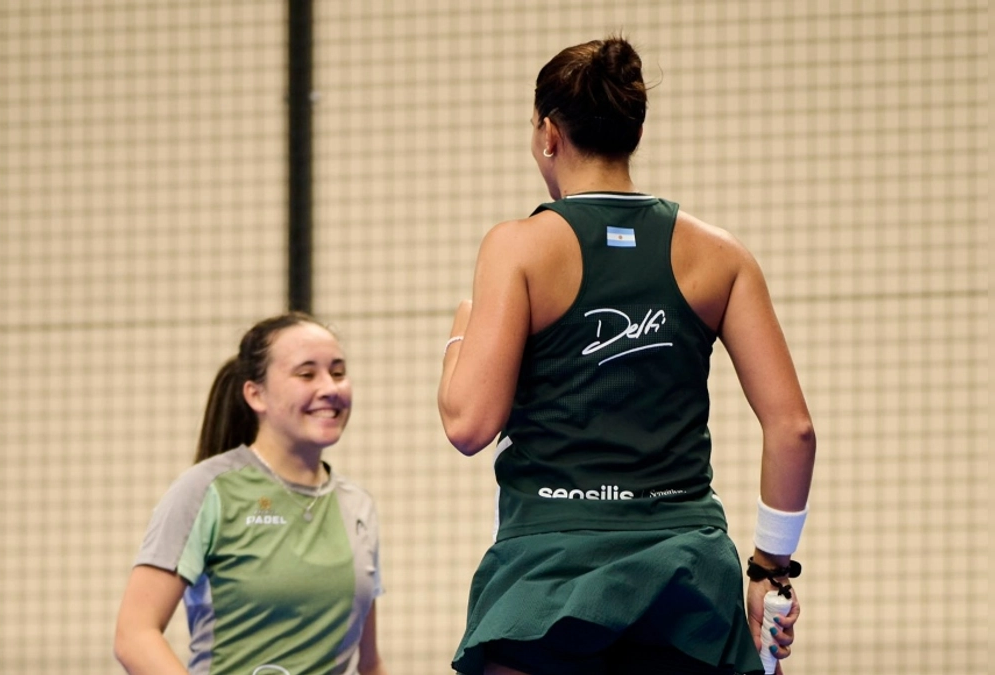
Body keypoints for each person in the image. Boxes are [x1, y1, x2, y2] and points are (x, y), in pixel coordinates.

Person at [437, 35, 816, 675]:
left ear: (549, 134)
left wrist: (460, 337)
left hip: (546, 580)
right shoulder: (721, 256)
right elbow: (794, 430)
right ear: (631, 130)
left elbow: (469, 425)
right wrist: (769, 573)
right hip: (685, 583)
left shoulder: (519, 248)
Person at [115, 312, 388, 675]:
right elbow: (135, 635)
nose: (330, 388)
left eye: (337, 372)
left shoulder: (357, 505)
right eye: (306, 374)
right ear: (255, 394)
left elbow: (369, 664)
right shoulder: (206, 490)